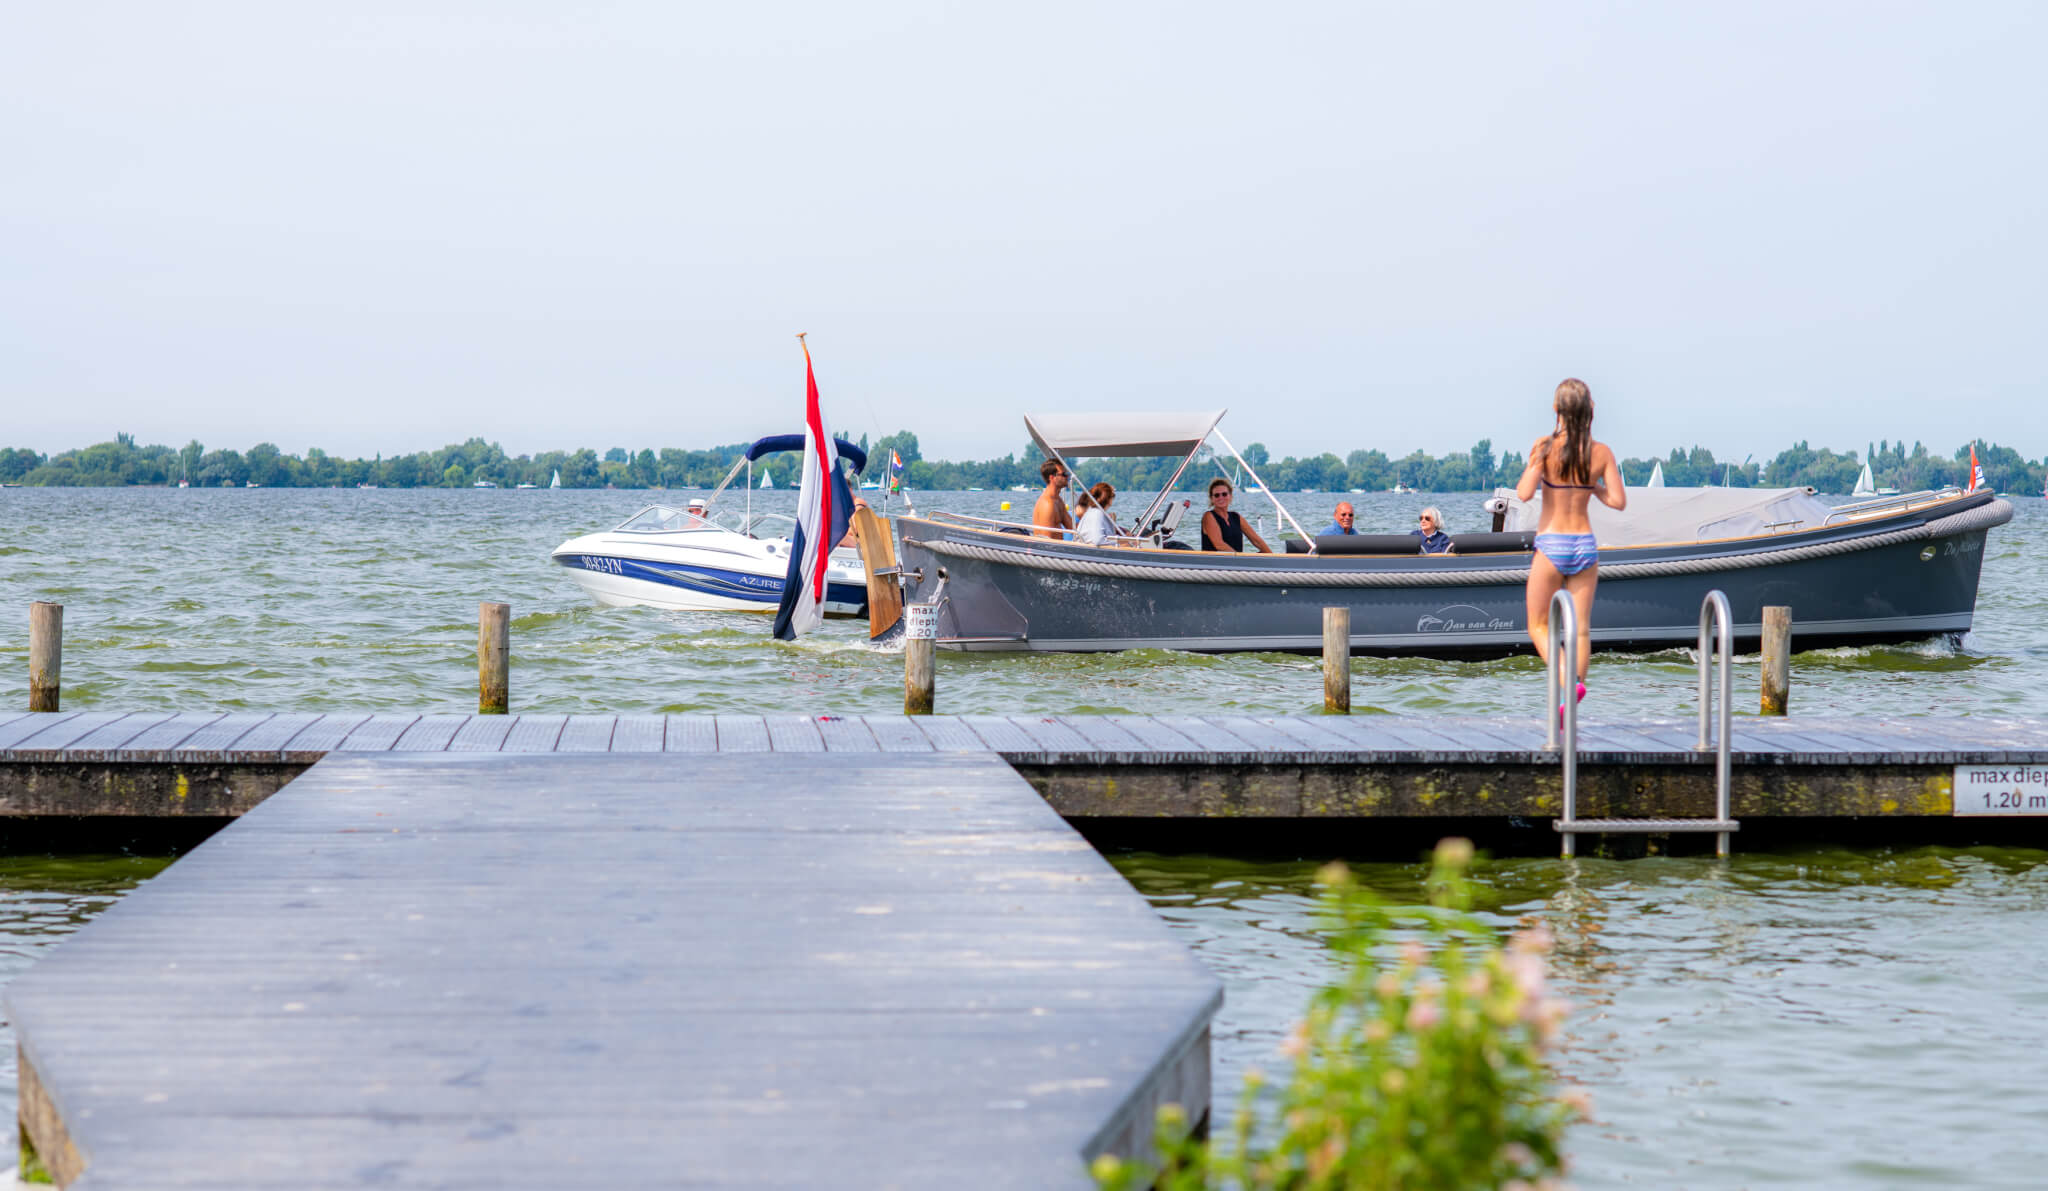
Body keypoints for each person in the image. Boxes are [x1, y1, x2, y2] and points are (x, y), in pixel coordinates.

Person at [1515, 377, 1626, 708]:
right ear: (1590, 409)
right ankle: (1574, 693)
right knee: (1580, 630)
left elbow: (1523, 493)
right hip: (1584, 544)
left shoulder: (1544, 447)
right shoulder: (1601, 452)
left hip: (1551, 543)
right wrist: (1593, 487)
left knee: (1536, 625)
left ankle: (1565, 678)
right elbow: (1619, 502)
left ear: (1556, 409)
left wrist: (1538, 465)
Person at [1201, 478, 1273, 553]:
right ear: (1212, 499)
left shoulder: (1236, 517)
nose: (1221, 497)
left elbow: (1256, 541)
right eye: (1217, 495)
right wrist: (1240, 559)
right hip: (1215, 562)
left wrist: (1272, 556)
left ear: (1230, 496)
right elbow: (1219, 545)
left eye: (1224, 494)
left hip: (1236, 561)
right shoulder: (1208, 516)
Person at [1032, 459, 1074, 540]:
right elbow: (1046, 541)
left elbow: (1073, 527)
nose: (1067, 476)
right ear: (1052, 478)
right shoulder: (1047, 504)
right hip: (1049, 551)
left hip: (1059, 549)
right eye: (1063, 474)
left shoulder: (1058, 500)